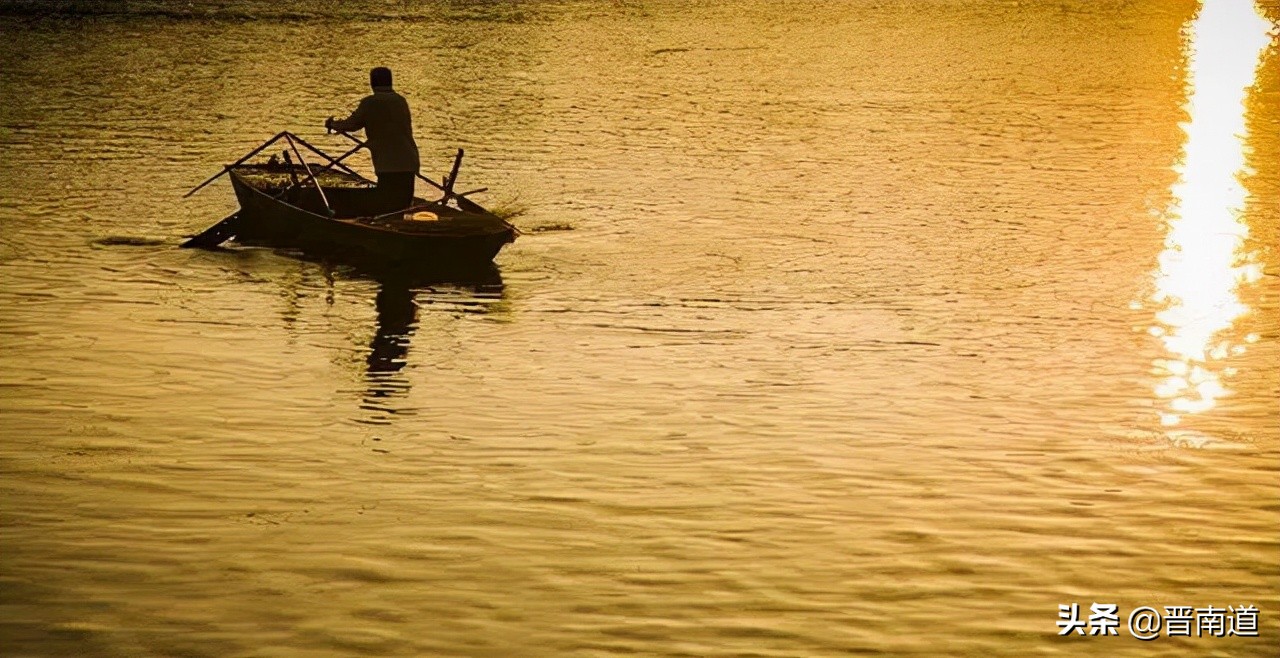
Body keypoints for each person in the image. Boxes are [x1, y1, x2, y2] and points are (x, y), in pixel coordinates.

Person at [326, 67, 420, 215]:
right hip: (409, 161)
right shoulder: (401, 101)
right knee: (401, 204)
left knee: (386, 204)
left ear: (372, 83)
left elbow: (351, 125)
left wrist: (332, 124)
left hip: (388, 164)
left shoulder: (370, 103)